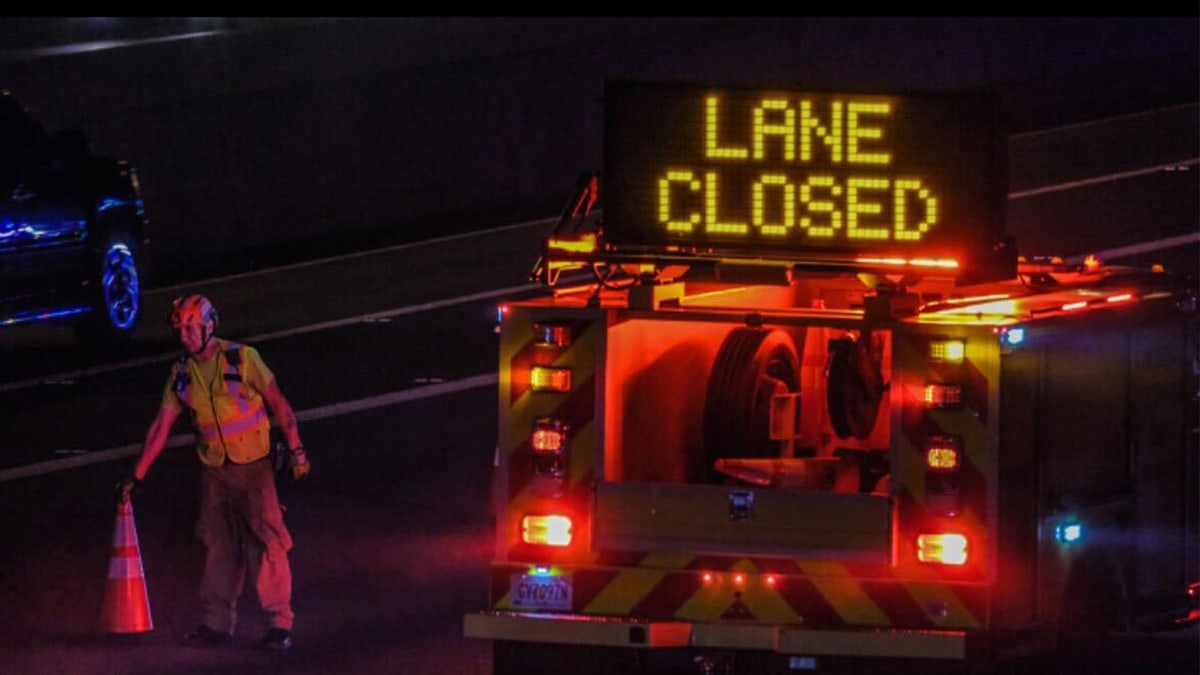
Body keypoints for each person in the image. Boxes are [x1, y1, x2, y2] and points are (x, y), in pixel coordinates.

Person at [117, 293, 311, 650]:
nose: (184, 336)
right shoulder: (181, 375)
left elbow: (279, 405)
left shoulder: (242, 359)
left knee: (266, 546)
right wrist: (138, 474)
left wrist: (297, 450)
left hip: (254, 471)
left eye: (191, 328)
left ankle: (279, 625)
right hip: (215, 476)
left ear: (209, 326)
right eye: (180, 329)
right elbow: (160, 427)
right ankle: (216, 624)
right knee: (218, 549)